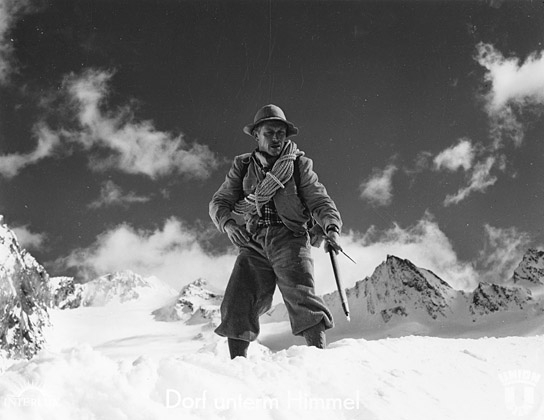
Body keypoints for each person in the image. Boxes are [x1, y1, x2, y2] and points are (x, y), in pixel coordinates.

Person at [209, 104, 342, 359]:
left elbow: (319, 200)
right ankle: (238, 367)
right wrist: (228, 224)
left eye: (281, 133)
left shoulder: (299, 164)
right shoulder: (243, 166)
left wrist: (331, 228)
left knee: (301, 297)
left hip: (290, 238)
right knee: (238, 299)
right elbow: (220, 202)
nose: (276, 138)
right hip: (255, 240)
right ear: (256, 135)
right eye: (269, 132)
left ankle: (320, 363)